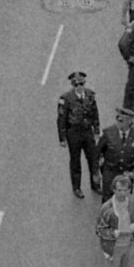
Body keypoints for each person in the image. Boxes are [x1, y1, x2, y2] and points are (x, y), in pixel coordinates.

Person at [57, 70, 101, 199]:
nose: (80, 87)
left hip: (87, 132)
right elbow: (61, 119)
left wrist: (97, 130)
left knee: (93, 159)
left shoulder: (90, 95)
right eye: (76, 84)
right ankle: (77, 187)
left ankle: (96, 184)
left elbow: (95, 113)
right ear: (73, 85)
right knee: (75, 161)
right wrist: (62, 138)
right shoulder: (65, 99)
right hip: (74, 133)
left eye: (81, 84)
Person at [96, 104, 134, 202]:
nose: (119, 123)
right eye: (118, 119)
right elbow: (97, 153)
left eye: (122, 121)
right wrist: (96, 172)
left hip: (126, 173)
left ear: (130, 122)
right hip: (110, 172)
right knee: (107, 198)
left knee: (123, 200)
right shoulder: (108, 133)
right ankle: (106, 216)